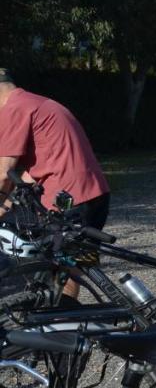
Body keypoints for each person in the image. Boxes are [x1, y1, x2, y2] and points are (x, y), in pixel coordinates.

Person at [0, 68, 110, 300]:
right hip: (91, 194)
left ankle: (64, 321)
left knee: (62, 267)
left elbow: (3, 172)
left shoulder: (14, 109)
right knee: (67, 267)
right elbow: (37, 169)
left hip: (69, 201)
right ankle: (63, 317)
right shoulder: (37, 103)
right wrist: (6, 204)